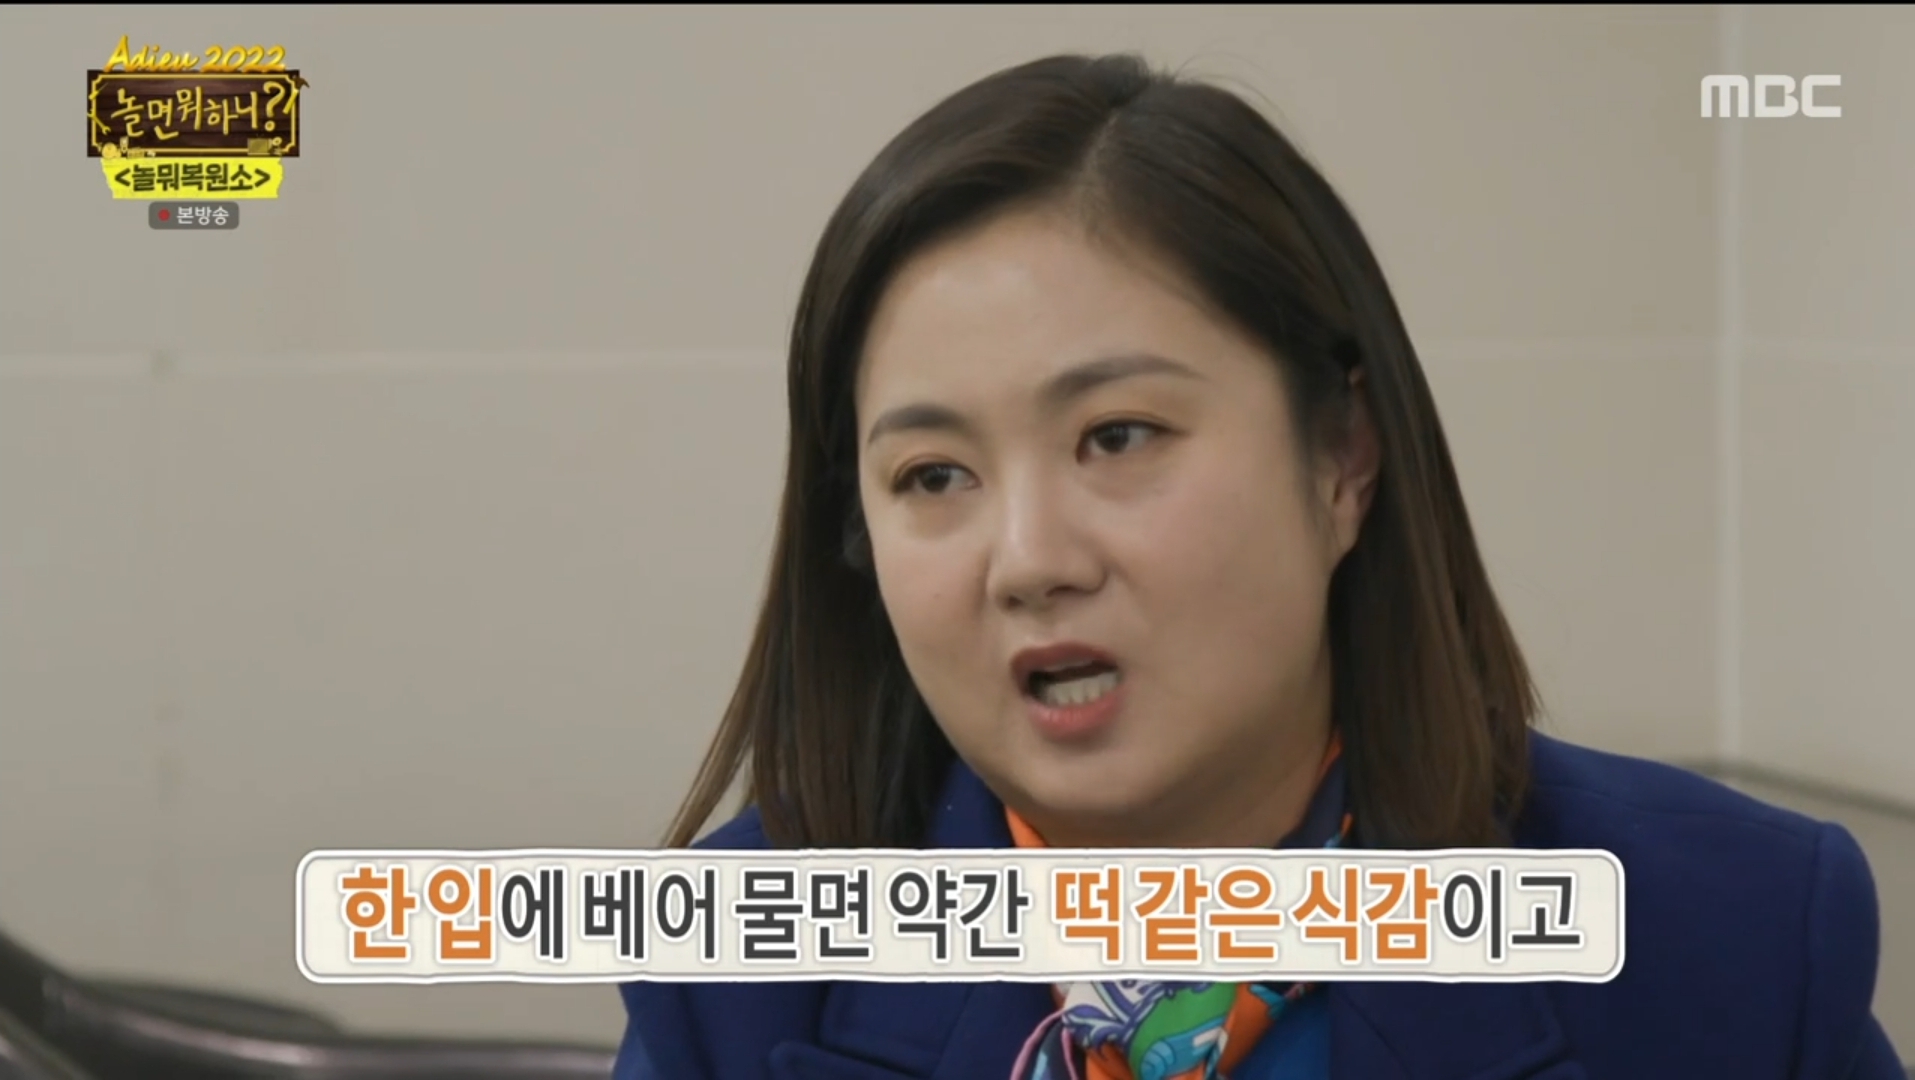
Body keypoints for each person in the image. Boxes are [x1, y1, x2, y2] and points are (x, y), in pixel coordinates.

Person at [615, 53, 1904, 1079]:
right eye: (934, 476)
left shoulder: (1728, 938)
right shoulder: (736, 978)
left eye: (1118, 437)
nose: (1030, 562)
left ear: (1342, 459)